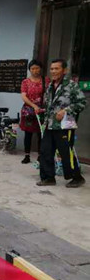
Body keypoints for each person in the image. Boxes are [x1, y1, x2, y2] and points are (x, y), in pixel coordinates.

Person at [37, 59, 86, 188]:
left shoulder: (71, 85)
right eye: (52, 69)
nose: (53, 71)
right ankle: (48, 178)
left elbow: (82, 103)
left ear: (64, 70)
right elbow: (49, 105)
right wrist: (43, 113)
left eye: (56, 68)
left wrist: (66, 111)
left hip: (64, 125)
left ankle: (77, 177)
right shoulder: (49, 86)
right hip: (49, 124)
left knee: (66, 152)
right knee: (45, 151)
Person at [20, 60, 48, 164]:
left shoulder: (46, 80)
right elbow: (23, 96)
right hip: (29, 111)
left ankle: (40, 155)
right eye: (32, 68)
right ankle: (27, 155)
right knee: (28, 134)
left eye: (37, 68)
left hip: (42, 111)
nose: (35, 70)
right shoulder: (25, 82)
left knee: (41, 133)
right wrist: (34, 106)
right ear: (29, 69)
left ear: (40, 68)